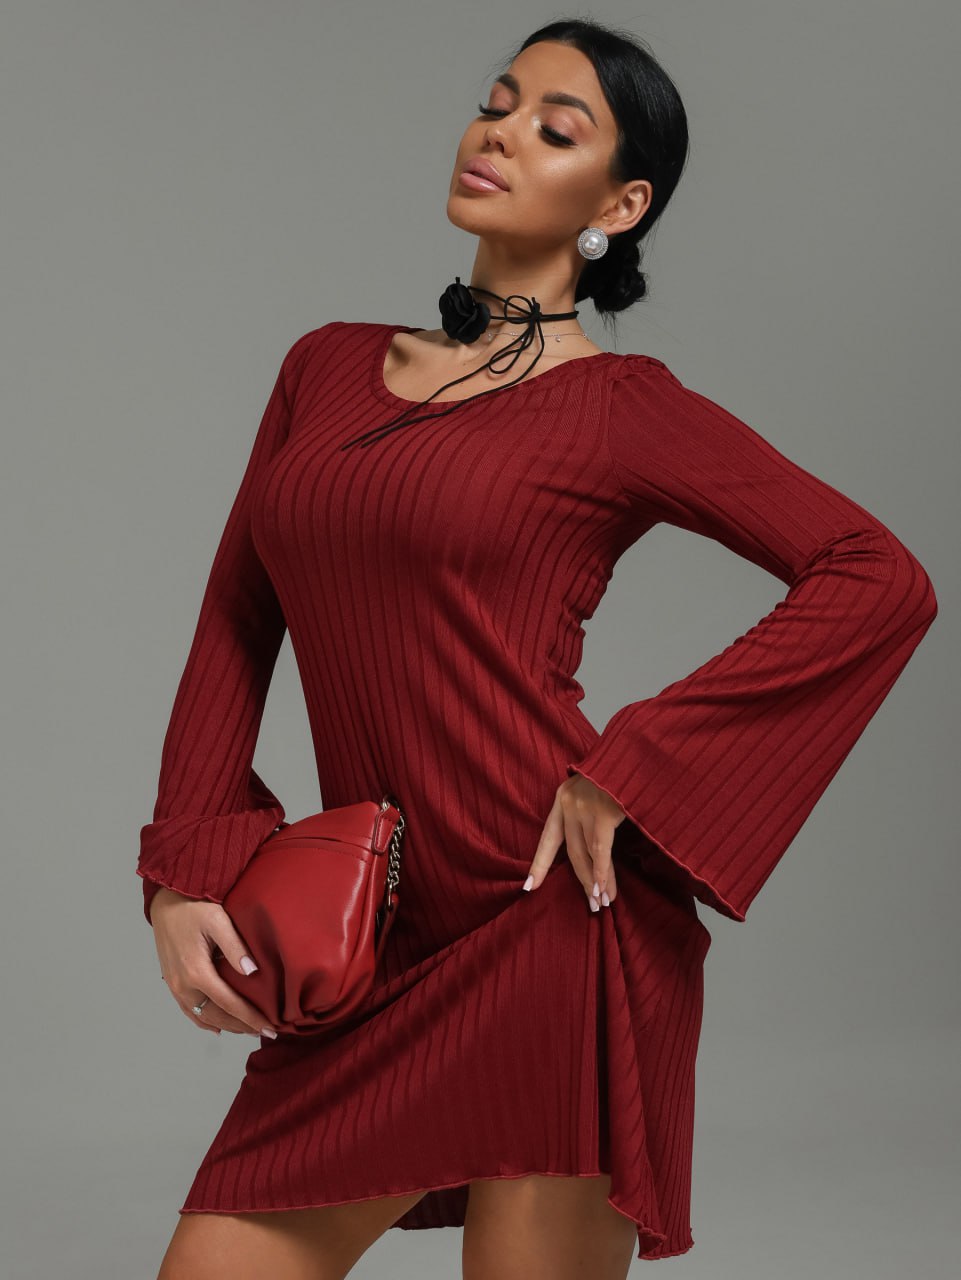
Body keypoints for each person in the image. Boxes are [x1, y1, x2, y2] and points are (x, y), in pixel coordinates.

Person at [139, 18, 938, 1280]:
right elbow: (236, 619)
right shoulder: (325, 368)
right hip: (370, 930)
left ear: (619, 206)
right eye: (498, 101)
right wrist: (183, 868)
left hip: (553, 918)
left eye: (553, 128)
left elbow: (875, 576)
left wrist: (636, 766)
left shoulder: (621, 408)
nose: (499, 132)